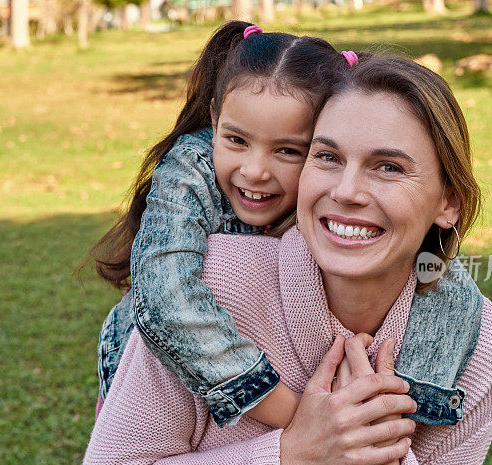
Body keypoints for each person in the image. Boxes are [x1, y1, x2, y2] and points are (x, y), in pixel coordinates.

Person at [75, 53, 492, 465]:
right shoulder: (211, 284)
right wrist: (292, 454)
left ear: (448, 202)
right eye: (327, 157)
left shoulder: (478, 343)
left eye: (387, 167)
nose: (346, 191)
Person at [87, 21, 345, 428]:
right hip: (155, 381)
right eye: (236, 140)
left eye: (288, 150)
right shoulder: (193, 168)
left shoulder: (341, 187)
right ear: (214, 118)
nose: (255, 171)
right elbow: (165, 295)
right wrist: (292, 414)